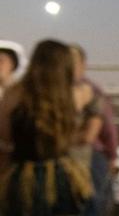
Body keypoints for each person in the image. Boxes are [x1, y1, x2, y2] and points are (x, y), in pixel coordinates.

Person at [0, 39, 95, 215]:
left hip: (20, 177)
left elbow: (5, 138)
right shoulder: (79, 94)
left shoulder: (13, 94)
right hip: (62, 177)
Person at [70, 44, 118, 216]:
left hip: (90, 154)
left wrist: (111, 155)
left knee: (92, 201)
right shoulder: (57, 90)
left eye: (74, 61)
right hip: (69, 154)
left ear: (83, 64)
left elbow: (107, 127)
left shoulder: (92, 91)